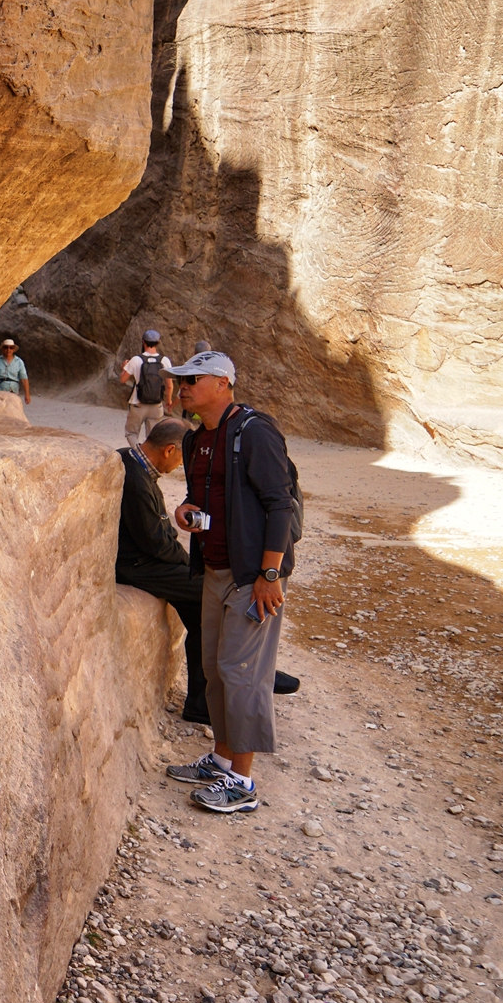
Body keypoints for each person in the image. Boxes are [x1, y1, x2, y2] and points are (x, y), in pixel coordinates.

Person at [163, 350, 301, 814]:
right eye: (180, 381)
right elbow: (201, 495)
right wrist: (186, 510)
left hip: (251, 575)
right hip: (214, 568)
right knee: (215, 670)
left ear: (222, 383)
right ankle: (222, 760)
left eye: (192, 380)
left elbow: (280, 505)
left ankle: (241, 783)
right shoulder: (196, 439)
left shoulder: (254, 431)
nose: (182, 387)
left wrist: (269, 574)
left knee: (243, 676)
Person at [116, 419, 206, 720]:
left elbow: (159, 529)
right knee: (212, 592)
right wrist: (187, 563)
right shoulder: (136, 480)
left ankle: (201, 702)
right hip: (136, 566)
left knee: (200, 614)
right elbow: (155, 542)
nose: (181, 465)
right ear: (170, 450)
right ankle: (250, 675)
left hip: (144, 559)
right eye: (183, 458)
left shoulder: (135, 464)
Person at [120, 329, 175, 449]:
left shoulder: (136, 360)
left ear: (143, 342)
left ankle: (139, 454)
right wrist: (169, 401)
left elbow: (123, 379)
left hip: (138, 404)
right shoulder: (164, 361)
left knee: (131, 433)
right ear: (158, 343)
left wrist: (124, 367)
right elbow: (169, 385)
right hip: (156, 405)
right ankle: (150, 459)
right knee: (153, 436)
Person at [0, 339, 30, 404]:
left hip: (13, 391)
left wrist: (27, 394)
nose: (8, 350)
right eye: (6, 347)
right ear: (2, 348)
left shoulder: (19, 362)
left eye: (11, 348)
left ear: (13, 349)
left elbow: (24, 378)